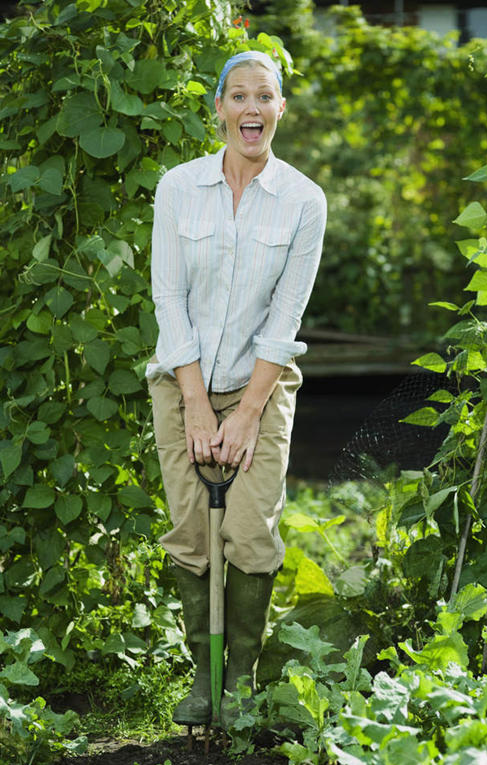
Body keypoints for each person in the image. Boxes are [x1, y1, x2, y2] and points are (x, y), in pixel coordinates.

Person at [146, 50, 327, 729]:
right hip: (181, 380)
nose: (252, 108)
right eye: (239, 96)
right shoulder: (178, 187)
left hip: (261, 385)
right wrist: (194, 399)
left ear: (280, 109)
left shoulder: (304, 201)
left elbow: (286, 318)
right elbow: (168, 296)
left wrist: (247, 412)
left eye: (265, 96)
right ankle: (203, 681)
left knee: (250, 533)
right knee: (191, 533)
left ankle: (242, 681)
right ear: (218, 108)